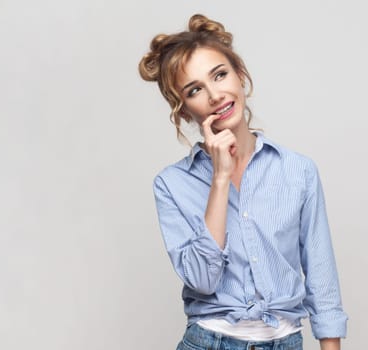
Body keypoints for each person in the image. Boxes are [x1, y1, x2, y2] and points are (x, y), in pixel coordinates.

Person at [139, 14, 348, 350]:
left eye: (220, 75)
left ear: (240, 74)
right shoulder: (172, 184)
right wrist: (220, 179)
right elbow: (203, 281)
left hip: (284, 341)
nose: (215, 95)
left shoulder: (297, 171)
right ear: (183, 111)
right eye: (195, 90)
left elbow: (321, 276)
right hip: (208, 341)